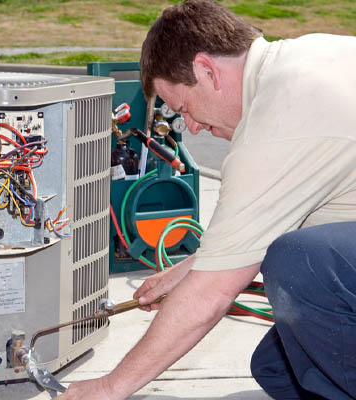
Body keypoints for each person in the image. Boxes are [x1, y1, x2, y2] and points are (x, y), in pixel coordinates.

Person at [57, 0, 356, 398]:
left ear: (206, 70)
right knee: (279, 369)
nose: (193, 128)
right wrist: (191, 269)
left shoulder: (278, 124)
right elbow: (273, 218)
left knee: (298, 261)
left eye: (184, 108)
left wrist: (110, 386)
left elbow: (211, 295)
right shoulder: (309, 56)